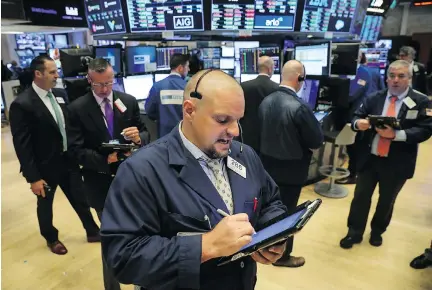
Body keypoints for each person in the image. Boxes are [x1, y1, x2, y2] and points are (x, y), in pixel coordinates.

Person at [100, 69, 288, 290]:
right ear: (189, 110)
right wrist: (204, 247)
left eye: (238, 120)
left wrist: (273, 234)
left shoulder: (244, 155)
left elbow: (270, 201)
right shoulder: (141, 170)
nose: (235, 131)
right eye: (222, 119)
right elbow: (123, 257)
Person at [67, 58, 150, 290]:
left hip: (134, 182)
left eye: (109, 83)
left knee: (140, 235)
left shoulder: (128, 101)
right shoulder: (77, 109)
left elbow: (144, 133)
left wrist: (138, 138)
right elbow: (75, 151)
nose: (105, 89)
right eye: (99, 84)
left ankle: (140, 283)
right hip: (100, 185)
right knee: (112, 240)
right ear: (89, 80)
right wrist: (105, 160)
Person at [8, 55, 100, 255]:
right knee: (45, 205)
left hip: (68, 160)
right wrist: (33, 178)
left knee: (80, 198)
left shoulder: (59, 94)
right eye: (52, 72)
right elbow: (22, 145)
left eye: (56, 71)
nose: (57, 75)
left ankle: (92, 231)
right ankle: (51, 238)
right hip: (44, 167)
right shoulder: (22, 104)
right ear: (38, 74)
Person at [340, 60, 432, 249]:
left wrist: (397, 135)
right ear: (387, 77)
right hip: (369, 159)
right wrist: (358, 124)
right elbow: (356, 116)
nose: (395, 80)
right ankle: (354, 232)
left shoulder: (421, 102)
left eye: (401, 76)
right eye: (392, 76)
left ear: (409, 78)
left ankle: (377, 231)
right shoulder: (374, 98)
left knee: (386, 200)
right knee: (360, 197)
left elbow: (426, 129)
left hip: (397, 162)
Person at [258, 60, 324, 267]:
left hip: (267, 167)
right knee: (288, 215)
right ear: (300, 78)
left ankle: (264, 245)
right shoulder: (300, 107)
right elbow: (316, 141)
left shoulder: (265, 101)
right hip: (292, 172)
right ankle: (282, 256)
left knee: (269, 209)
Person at [337, 52, 374, 185]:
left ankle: (354, 174)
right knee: (350, 146)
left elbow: (351, 95)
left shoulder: (363, 72)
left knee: (356, 147)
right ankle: (353, 172)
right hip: (344, 114)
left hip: (357, 115)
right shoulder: (343, 70)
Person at [240, 56, 279, 154]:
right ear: (270, 69)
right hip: (270, 139)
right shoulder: (277, 88)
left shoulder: (243, 86)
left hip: (247, 137)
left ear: (258, 68)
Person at [145, 53, 190, 138]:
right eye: (187, 66)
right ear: (180, 68)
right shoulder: (188, 87)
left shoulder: (157, 86)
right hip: (184, 137)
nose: (189, 69)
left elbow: (149, 111)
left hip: (164, 137)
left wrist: (163, 115)